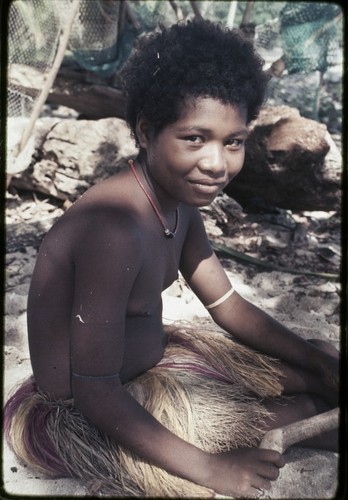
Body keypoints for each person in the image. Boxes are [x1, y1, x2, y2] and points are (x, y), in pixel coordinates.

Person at [4, 19, 338, 498]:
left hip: (150, 371)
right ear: (146, 131)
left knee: (322, 360)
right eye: (194, 139)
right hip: (86, 412)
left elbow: (229, 307)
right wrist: (210, 470)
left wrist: (315, 361)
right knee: (304, 413)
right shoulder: (112, 227)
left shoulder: (181, 212)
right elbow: (95, 390)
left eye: (234, 141)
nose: (218, 164)